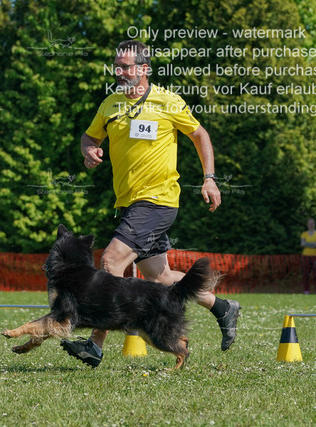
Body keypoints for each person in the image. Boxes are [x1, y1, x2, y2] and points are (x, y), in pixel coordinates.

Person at [60, 40, 241, 368]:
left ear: (144, 69)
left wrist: (209, 178)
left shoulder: (167, 101)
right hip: (128, 204)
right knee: (160, 278)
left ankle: (95, 345)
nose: (119, 72)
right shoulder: (110, 104)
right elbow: (90, 136)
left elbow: (200, 135)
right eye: (117, 66)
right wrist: (89, 150)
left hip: (158, 201)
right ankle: (222, 307)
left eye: (126, 66)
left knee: (111, 261)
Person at [300, 218, 316, 294]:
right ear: (307, 225)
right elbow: (302, 244)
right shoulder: (304, 234)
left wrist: (307, 244)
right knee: (305, 274)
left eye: (312, 223)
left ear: (314, 224)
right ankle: (306, 290)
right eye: (309, 223)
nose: (311, 225)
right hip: (306, 256)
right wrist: (313, 244)